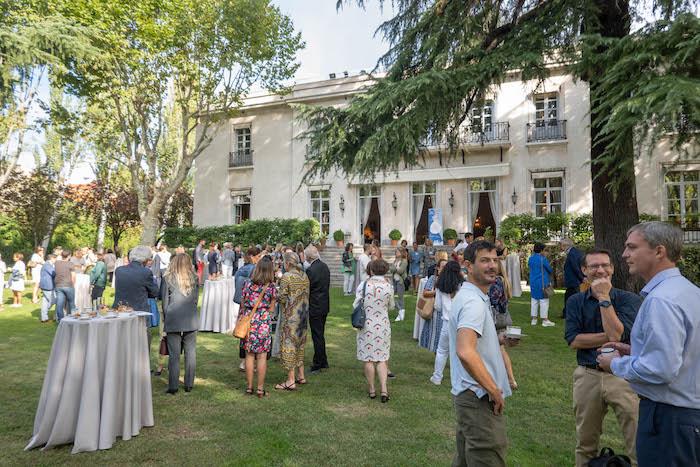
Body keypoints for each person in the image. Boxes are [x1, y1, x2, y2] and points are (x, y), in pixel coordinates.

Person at [597, 221, 700, 467]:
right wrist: (637, 353)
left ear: (659, 251)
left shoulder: (661, 300)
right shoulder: (689, 291)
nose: (624, 255)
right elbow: (686, 351)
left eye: (632, 247)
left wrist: (616, 364)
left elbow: (661, 369)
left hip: (668, 418)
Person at [564, 248, 641, 466]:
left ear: (613, 269)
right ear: (584, 271)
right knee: (585, 442)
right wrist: (609, 334)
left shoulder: (629, 300)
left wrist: (604, 298)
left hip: (623, 376)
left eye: (605, 265)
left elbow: (618, 334)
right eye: (594, 266)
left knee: (636, 440)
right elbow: (573, 341)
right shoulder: (575, 301)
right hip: (587, 375)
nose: (600, 270)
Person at [450, 241, 515, 466]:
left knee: (465, 460)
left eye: (495, 260)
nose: (492, 266)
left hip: (469, 394)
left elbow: (469, 341)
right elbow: (465, 351)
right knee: (488, 457)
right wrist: (493, 389)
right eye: (485, 260)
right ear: (468, 265)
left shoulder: (473, 296)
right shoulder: (472, 302)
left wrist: (496, 340)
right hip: (478, 396)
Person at [355, 259, 394, 402]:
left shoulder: (364, 285)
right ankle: (384, 389)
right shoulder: (388, 286)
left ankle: (372, 389)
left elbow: (356, 304)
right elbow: (391, 306)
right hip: (383, 326)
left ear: (371, 270)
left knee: (369, 358)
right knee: (382, 358)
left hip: (366, 325)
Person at [161, 253, 199, 394]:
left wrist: (166, 319)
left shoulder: (167, 278)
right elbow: (195, 299)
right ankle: (189, 384)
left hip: (173, 317)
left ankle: (173, 386)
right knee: (190, 352)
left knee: (174, 354)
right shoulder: (194, 278)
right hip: (190, 317)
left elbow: (165, 302)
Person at [240, 256, 277, 398]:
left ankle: (249, 387)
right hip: (263, 323)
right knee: (261, 356)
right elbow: (272, 309)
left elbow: (243, 303)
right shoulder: (271, 287)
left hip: (249, 322)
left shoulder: (247, 284)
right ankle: (260, 389)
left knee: (249, 355)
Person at [113, 245, 159, 353]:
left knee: (122, 345)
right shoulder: (145, 272)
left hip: (119, 311)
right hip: (138, 312)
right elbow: (155, 292)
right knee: (142, 345)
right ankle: (141, 368)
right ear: (145, 259)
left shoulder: (119, 270)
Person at [275, 252, 310, 391]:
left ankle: (290, 380)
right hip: (303, 316)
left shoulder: (287, 277)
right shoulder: (305, 276)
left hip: (290, 317)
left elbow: (282, 298)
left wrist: (277, 296)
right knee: (300, 344)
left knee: (289, 346)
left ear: (288, 263)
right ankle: (301, 375)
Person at [430, 260, 464, 385]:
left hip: (446, 322)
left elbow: (437, 306)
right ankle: (458, 378)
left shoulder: (440, 286)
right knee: (460, 351)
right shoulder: (463, 285)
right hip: (461, 323)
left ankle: (437, 377)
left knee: (441, 351)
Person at [490, 259, 518, 391]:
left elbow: (494, 300)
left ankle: (508, 379)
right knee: (501, 350)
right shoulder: (504, 280)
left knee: (499, 350)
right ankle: (510, 379)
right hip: (504, 317)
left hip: (497, 318)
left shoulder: (496, 281)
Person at [305, 245, 331, 374]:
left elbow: (308, 289)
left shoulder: (310, 270)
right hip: (324, 304)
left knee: (317, 335)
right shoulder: (325, 266)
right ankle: (323, 360)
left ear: (309, 257)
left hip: (315, 305)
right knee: (320, 333)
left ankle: (318, 362)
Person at [234, 246, 258, 372]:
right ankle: (249, 363)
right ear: (253, 256)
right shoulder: (254, 270)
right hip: (252, 307)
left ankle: (243, 361)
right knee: (251, 334)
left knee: (243, 332)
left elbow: (237, 290)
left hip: (242, 306)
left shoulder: (240, 270)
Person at [419, 258, 448, 350]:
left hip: (447, 311)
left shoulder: (450, 280)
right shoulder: (433, 278)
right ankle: (437, 352)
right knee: (435, 333)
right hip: (435, 311)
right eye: (443, 267)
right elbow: (425, 293)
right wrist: (438, 292)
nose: (444, 269)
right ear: (438, 268)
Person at [528, 242, 555, 327]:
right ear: (541, 250)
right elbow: (550, 269)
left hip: (533, 282)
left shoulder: (531, 258)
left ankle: (534, 319)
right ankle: (545, 320)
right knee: (544, 301)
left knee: (534, 300)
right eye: (544, 250)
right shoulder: (543, 259)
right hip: (543, 282)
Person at [561, 238, 585, 318]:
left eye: (562, 245)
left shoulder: (572, 253)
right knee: (569, 296)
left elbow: (575, 267)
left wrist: (582, 278)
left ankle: (568, 313)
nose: (561, 247)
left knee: (570, 297)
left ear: (565, 245)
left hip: (573, 280)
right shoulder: (575, 252)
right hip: (574, 280)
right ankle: (566, 313)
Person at [54, 250, 76, 321]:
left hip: (58, 285)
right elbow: (73, 276)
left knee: (59, 304)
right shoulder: (70, 264)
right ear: (69, 256)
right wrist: (73, 285)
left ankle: (61, 320)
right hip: (68, 285)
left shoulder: (56, 263)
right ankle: (72, 319)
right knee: (71, 303)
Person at [390, 247, 408, 321]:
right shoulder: (395, 261)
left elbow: (401, 271)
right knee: (391, 296)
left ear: (401, 253)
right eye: (396, 252)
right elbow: (391, 270)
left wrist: (395, 268)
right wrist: (396, 268)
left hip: (400, 282)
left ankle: (401, 313)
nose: (396, 253)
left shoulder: (404, 261)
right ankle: (400, 311)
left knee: (400, 298)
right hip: (394, 281)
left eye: (397, 252)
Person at [38, 254, 57, 322]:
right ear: (52, 258)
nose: (56, 260)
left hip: (47, 285)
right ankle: (46, 315)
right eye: (55, 259)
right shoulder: (47, 265)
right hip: (48, 286)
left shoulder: (48, 265)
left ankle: (44, 318)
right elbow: (54, 273)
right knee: (54, 300)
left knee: (45, 301)